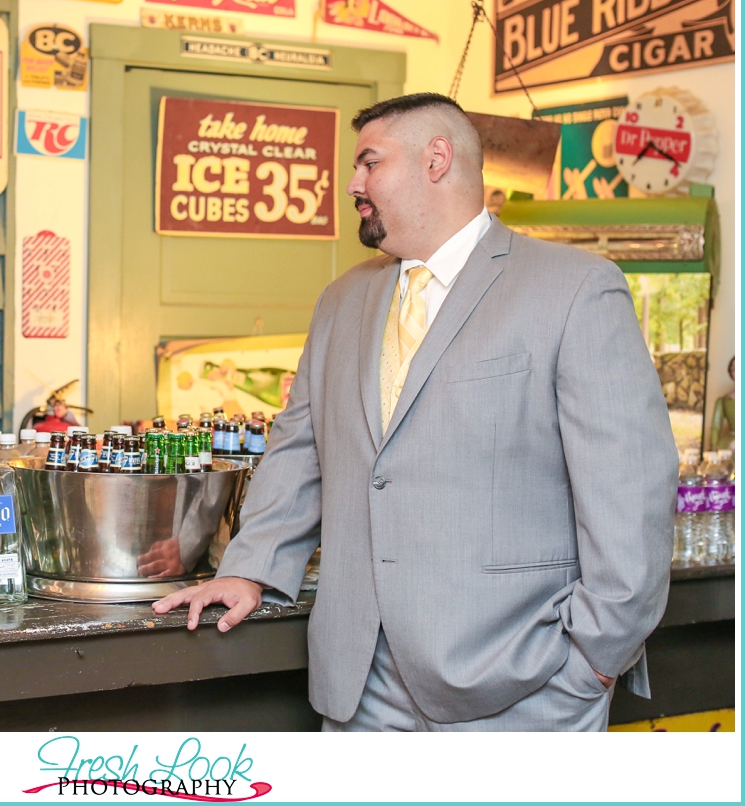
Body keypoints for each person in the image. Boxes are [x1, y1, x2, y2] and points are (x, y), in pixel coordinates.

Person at [154, 93, 677, 731]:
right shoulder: (342, 299)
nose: (353, 184)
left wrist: (595, 657)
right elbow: (300, 451)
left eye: (369, 163)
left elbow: (631, 490)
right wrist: (250, 569)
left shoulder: (574, 289)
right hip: (360, 685)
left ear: (436, 160)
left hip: (523, 687)